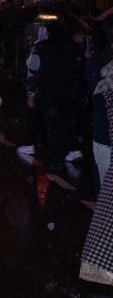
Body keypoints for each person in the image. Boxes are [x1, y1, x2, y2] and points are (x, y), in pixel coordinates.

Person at [20, 18, 86, 169]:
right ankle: (73, 148)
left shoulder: (43, 47)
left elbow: (34, 69)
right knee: (66, 120)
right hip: (69, 91)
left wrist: (32, 92)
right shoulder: (73, 47)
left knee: (53, 125)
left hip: (48, 91)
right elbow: (79, 67)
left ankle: (56, 159)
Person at [81, 18, 113, 285]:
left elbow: (93, 91)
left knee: (107, 197)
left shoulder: (99, 63)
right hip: (104, 136)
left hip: (105, 136)